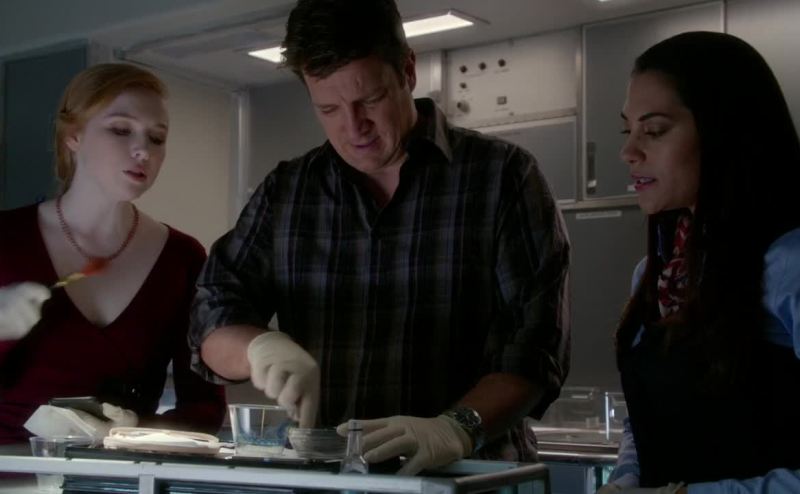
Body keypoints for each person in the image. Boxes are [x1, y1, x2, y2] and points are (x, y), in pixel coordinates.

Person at [190, 0, 570, 476]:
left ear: (407, 70)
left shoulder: (503, 177)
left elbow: (535, 348)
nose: (353, 128)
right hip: (328, 479)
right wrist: (256, 348)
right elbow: (212, 311)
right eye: (328, 109)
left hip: (468, 477)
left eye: (369, 100)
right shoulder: (287, 193)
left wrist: (456, 428)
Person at [599, 32, 800, 493]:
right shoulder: (655, 275)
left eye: (654, 131)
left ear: (724, 132)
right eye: (627, 131)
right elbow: (650, 422)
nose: (628, 152)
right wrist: (626, 480)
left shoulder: (787, 264)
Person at [0, 63, 226, 445]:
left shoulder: (182, 258)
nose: (143, 151)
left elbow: (203, 408)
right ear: (73, 135)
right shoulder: (6, 238)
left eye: (157, 138)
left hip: (119, 474)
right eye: (121, 130)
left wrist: (135, 434)